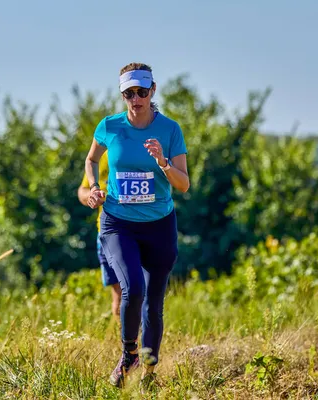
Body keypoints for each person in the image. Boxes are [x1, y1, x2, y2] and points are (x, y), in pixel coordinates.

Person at [83, 62, 190, 388]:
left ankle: (148, 375)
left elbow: (183, 184)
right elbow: (91, 160)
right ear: (122, 95)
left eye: (142, 92)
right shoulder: (109, 126)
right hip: (118, 223)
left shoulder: (170, 130)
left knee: (154, 305)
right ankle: (128, 354)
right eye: (129, 93)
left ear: (152, 91)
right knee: (133, 289)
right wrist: (94, 187)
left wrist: (163, 162)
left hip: (159, 224)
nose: (136, 99)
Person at [77, 151, 122, 319]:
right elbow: (82, 190)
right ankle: (127, 341)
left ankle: (143, 338)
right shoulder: (101, 156)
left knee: (134, 289)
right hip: (104, 231)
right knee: (118, 293)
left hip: (132, 228)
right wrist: (92, 195)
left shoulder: (136, 150)